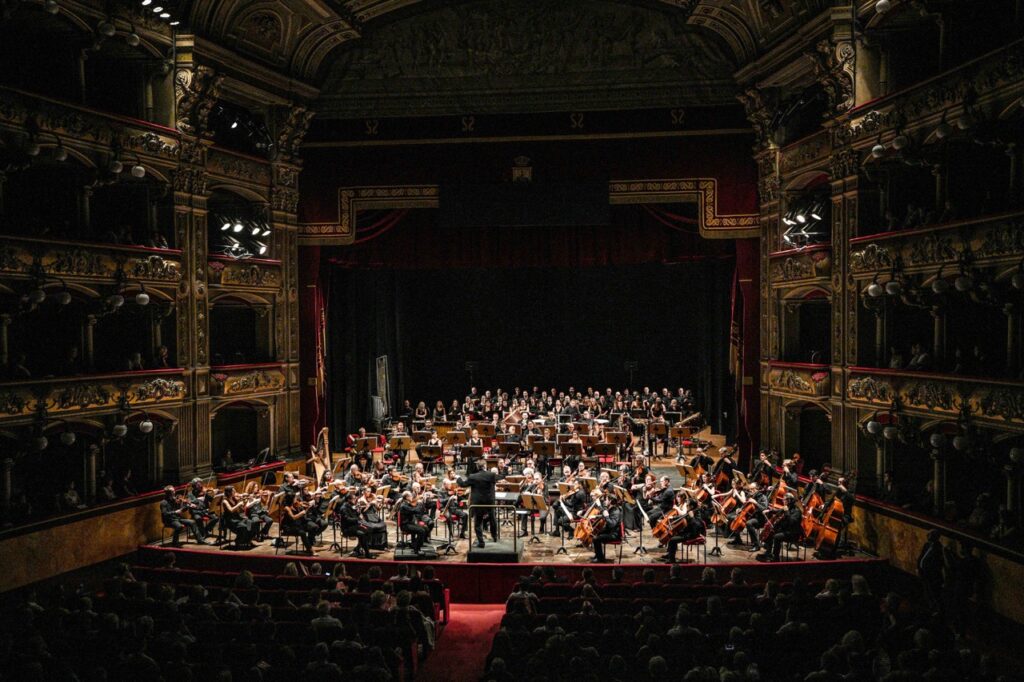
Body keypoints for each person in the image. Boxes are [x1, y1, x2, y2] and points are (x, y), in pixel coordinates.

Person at [458, 460, 498, 548]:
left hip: (478, 503)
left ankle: (481, 542)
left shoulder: (473, 476)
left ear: (477, 467)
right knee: (492, 519)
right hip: (489, 502)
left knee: (477, 522)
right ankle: (495, 537)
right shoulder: (491, 475)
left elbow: (463, 484)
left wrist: (458, 478)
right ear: (485, 466)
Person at [762, 493, 802, 562]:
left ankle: (776, 558)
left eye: (784, 500)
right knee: (771, 532)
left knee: (777, 537)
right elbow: (779, 511)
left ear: (789, 500)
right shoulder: (788, 507)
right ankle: (768, 552)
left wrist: (786, 512)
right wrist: (770, 510)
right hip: (786, 530)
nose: (783, 501)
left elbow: (791, 522)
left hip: (793, 533)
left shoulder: (797, 511)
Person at [590, 493, 623, 563]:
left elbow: (612, 525)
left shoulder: (616, 512)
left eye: (606, 499)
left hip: (614, 535)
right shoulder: (611, 508)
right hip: (609, 531)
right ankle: (598, 555)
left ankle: (600, 558)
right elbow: (604, 512)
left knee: (596, 539)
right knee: (594, 534)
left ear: (610, 501)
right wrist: (596, 516)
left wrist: (607, 517)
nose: (605, 501)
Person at [398, 491, 430, 555]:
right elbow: (416, 510)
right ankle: (417, 549)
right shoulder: (404, 505)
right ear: (407, 497)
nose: (412, 497)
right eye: (411, 496)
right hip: (405, 525)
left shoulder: (408, 503)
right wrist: (419, 502)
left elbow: (416, 509)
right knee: (421, 531)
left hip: (410, 523)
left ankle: (416, 545)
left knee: (426, 528)